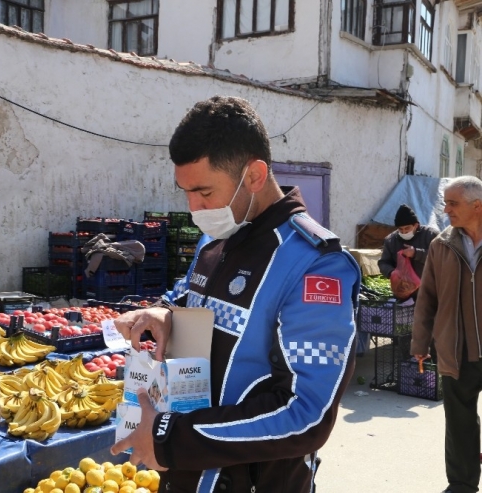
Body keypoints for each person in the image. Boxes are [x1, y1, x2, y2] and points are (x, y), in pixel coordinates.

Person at [110, 96, 360, 492]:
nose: (194, 207)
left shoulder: (315, 265)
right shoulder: (216, 241)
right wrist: (164, 312)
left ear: (255, 176)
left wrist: (170, 440)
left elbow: (306, 412)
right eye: (186, 192)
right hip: (187, 476)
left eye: (205, 192)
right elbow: (189, 297)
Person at [411, 176, 482, 493]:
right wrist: (420, 343)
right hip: (457, 349)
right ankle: (462, 483)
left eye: (453, 203)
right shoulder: (441, 246)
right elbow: (427, 299)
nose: (446, 209)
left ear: (476, 206)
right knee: (459, 421)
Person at [378, 203, 439, 292]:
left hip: (430, 290)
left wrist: (416, 253)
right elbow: (383, 263)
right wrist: (392, 272)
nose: (404, 232)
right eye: (401, 229)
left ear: (416, 225)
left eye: (407, 228)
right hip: (403, 290)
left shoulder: (431, 235)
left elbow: (440, 259)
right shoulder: (391, 240)